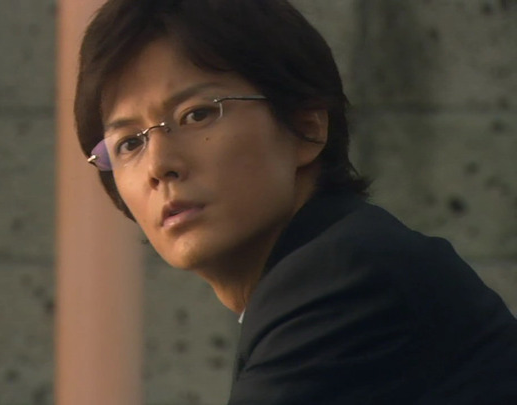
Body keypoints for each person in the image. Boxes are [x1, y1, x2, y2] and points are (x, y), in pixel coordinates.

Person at [73, 0, 517, 403]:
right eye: (129, 143)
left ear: (306, 127)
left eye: (197, 114)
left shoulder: (345, 277)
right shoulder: (305, 285)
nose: (158, 166)